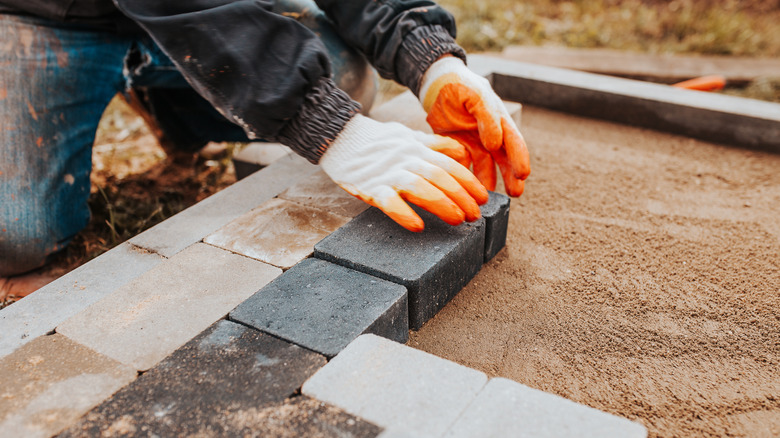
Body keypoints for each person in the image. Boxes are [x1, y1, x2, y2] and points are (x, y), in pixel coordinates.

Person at [0, 0, 530, 299]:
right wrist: (323, 122)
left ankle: (170, 104)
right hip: (47, 18)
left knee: (347, 78)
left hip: (211, 8)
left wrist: (431, 59)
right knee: (15, 235)